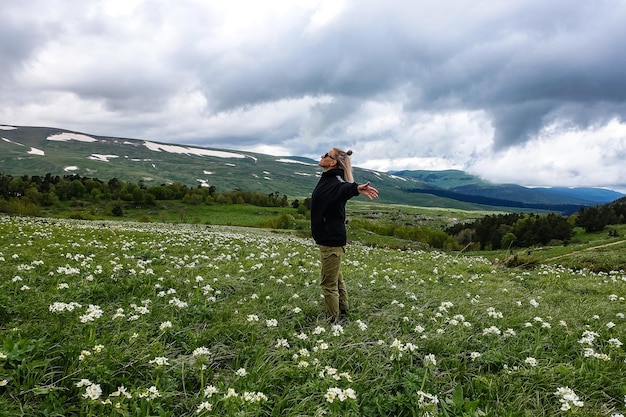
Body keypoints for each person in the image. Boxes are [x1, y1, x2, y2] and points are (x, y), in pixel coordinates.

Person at [310, 147, 379, 323]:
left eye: (326, 155)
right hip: (328, 240)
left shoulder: (336, 181)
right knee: (337, 281)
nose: (322, 156)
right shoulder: (328, 179)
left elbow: (344, 189)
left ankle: (333, 322)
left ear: (333, 162)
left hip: (331, 241)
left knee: (328, 285)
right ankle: (344, 312)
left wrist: (356, 188)